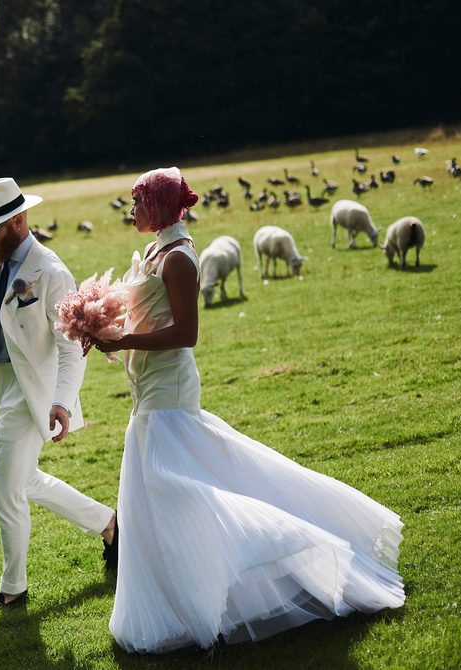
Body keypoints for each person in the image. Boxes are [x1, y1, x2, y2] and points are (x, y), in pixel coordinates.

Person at [95, 167, 404, 652]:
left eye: (137, 202)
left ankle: (274, 544)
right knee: (158, 487)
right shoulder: (155, 249)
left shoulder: (179, 258)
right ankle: (176, 598)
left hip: (168, 390)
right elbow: (145, 307)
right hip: (146, 388)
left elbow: (187, 333)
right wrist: (102, 318)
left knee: (168, 483)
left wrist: (123, 337)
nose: (132, 211)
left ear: (155, 207)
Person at [0, 177, 118, 609]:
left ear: (19, 220)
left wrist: (61, 401)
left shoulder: (51, 271)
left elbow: (72, 346)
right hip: (2, 388)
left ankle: (13, 588)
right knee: (27, 482)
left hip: (32, 392)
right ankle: (112, 526)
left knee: (5, 490)